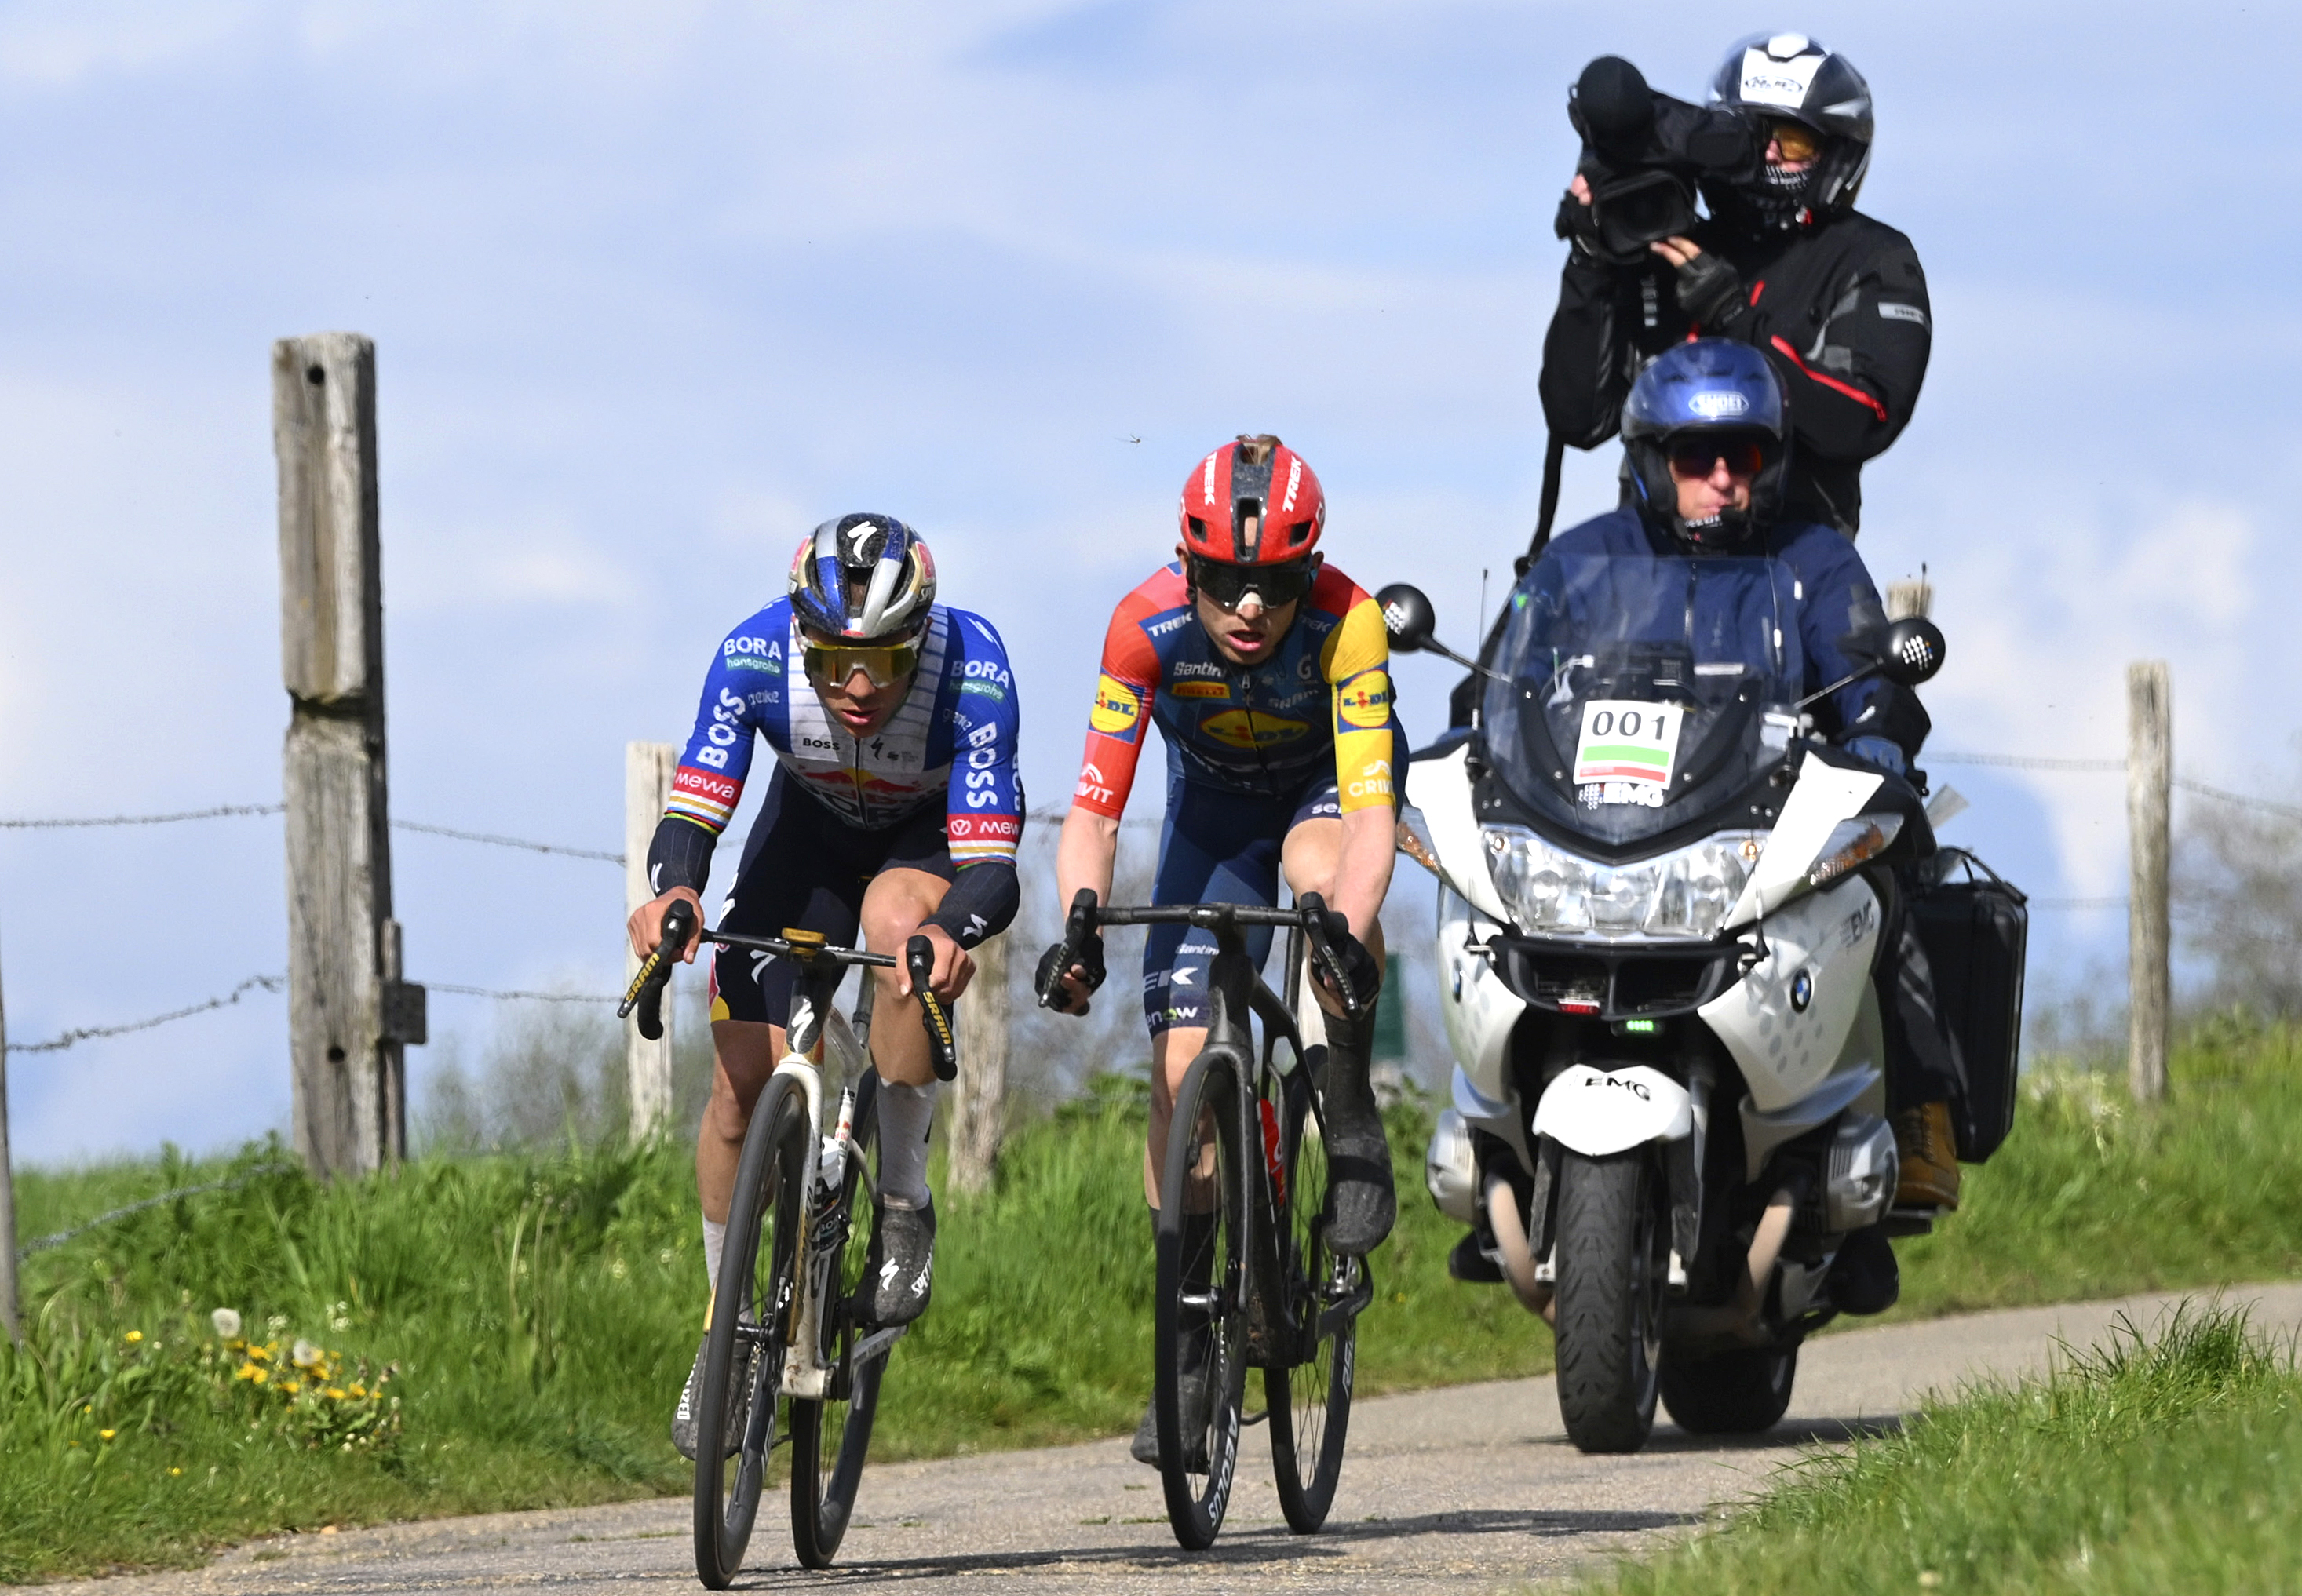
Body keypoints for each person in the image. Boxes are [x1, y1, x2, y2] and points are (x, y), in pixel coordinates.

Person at [1530, 338, 1964, 1220]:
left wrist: (1877, 736)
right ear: (1652, 461)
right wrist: (1478, 729)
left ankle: (1918, 1113)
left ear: (1769, 462)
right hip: (1603, 833)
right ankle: (1494, 1127)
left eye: (1743, 456)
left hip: (1758, 832)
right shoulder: (1580, 561)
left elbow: (1869, 682)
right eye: (1695, 457)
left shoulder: (1812, 557)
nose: (1720, 477)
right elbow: (1510, 685)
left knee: (1890, 868)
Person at [627, 514, 1023, 1460]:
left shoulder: (974, 671)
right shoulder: (753, 652)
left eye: (884, 663)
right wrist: (673, 894)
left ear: (918, 644)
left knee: (897, 935)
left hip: (918, 849)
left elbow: (992, 870)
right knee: (735, 1092)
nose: (855, 685)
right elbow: (693, 806)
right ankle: (724, 1336)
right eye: (836, 659)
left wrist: (948, 932)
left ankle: (899, 1200)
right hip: (801, 838)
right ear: (801, 637)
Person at [1039, 435, 1402, 1467]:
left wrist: (1344, 930)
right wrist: (1078, 918)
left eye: (1276, 584)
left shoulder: (1350, 621)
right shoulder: (1140, 626)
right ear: (1186, 567)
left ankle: (1350, 1108)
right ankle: (1190, 1340)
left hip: (1318, 798)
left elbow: (1372, 816)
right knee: (1176, 1070)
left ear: (1308, 573)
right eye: (1226, 584)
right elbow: (1096, 812)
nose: (1250, 608)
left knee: (1321, 875)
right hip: (1208, 819)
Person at [1543, 31, 1930, 539]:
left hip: (1798, 575)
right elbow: (1578, 419)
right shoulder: (1668, 242)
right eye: (1748, 136)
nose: (1766, 153)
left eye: (1791, 140)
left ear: (1835, 153)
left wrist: (1734, 319)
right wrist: (1589, 263)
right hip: (1651, 577)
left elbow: (1861, 422)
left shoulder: (1872, 256)